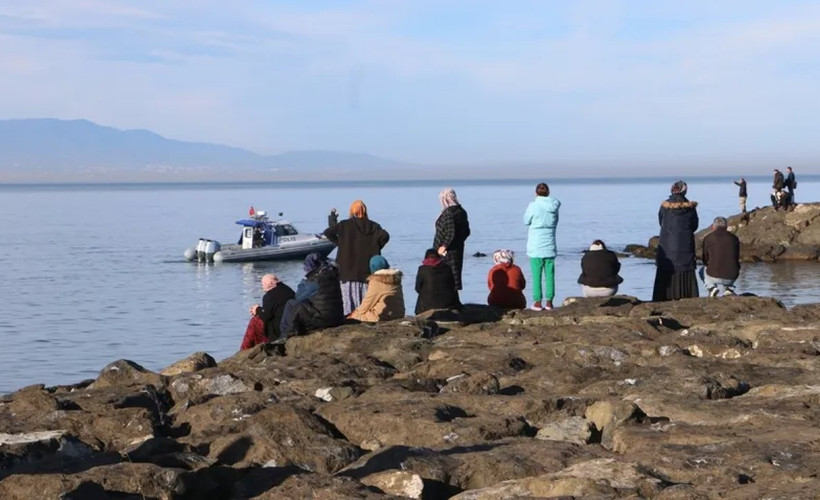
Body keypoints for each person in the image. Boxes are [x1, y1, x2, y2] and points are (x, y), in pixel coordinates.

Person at [324, 200, 390, 315]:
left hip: (347, 271)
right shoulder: (373, 226)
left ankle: (350, 318)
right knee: (366, 301)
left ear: (352, 211)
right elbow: (385, 236)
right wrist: (377, 247)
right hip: (366, 271)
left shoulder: (345, 225)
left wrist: (340, 243)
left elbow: (328, 232)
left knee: (348, 303)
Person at [652, 180, 700, 301]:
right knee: (685, 268)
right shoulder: (690, 207)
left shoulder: (665, 207)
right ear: (685, 191)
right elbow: (694, 225)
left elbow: (660, 222)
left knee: (666, 267)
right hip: (685, 243)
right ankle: (687, 295)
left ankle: (664, 296)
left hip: (667, 243)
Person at [279, 253, 344, 338]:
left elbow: (298, 297)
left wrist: (304, 281)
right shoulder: (332, 276)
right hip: (337, 317)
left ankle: (285, 335)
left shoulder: (315, 280)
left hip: (323, 320)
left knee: (291, 304)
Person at [524, 182, 560, 311]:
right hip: (550, 245)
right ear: (548, 193)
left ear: (536, 193)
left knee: (536, 275)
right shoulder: (555, 206)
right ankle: (549, 302)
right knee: (550, 275)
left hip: (536, 246)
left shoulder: (533, 206)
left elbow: (526, 221)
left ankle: (537, 302)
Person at [240, 274, 295, 350]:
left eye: (263, 285)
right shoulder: (288, 290)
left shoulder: (269, 296)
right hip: (292, 324)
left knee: (255, 321)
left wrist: (257, 310)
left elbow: (265, 315)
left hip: (279, 329)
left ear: (267, 285)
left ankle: (244, 349)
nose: (263, 288)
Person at [433, 188, 471, 290]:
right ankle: (454, 299)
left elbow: (450, 231)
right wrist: (459, 241)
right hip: (457, 248)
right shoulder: (461, 211)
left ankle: (448, 299)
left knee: (445, 275)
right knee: (455, 275)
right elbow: (466, 232)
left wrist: (444, 246)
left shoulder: (449, 213)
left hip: (446, 250)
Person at [348, 255, 405, 322]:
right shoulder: (395, 279)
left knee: (356, 316)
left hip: (383, 316)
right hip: (399, 314)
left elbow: (368, 301)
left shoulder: (376, 281)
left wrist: (355, 313)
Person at [700, 216, 740, 297]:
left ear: (713, 226)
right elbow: (736, 257)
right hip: (731, 276)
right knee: (735, 266)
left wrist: (707, 264)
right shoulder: (734, 238)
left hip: (713, 275)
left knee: (701, 270)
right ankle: (729, 288)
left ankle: (711, 288)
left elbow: (705, 257)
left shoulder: (708, 238)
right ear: (726, 227)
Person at [415, 248, 461, 314]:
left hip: (427, 306)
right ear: (438, 257)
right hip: (448, 304)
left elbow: (418, 288)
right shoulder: (447, 268)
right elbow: (453, 286)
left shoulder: (422, 269)